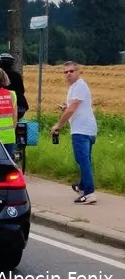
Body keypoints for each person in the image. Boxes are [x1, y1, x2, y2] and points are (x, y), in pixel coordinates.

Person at [52, 62, 98, 204]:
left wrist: (58, 126)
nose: (69, 74)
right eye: (65, 72)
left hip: (81, 130)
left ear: (79, 72)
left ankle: (89, 193)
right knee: (85, 160)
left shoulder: (79, 85)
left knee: (83, 161)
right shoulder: (75, 87)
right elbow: (73, 107)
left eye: (71, 71)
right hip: (88, 128)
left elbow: (72, 109)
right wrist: (66, 107)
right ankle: (82, 186)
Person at [0, 53, 29, 120]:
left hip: (5, 108)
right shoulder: (17, 75)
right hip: (21, 108)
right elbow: (22, 90)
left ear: (0, 63)